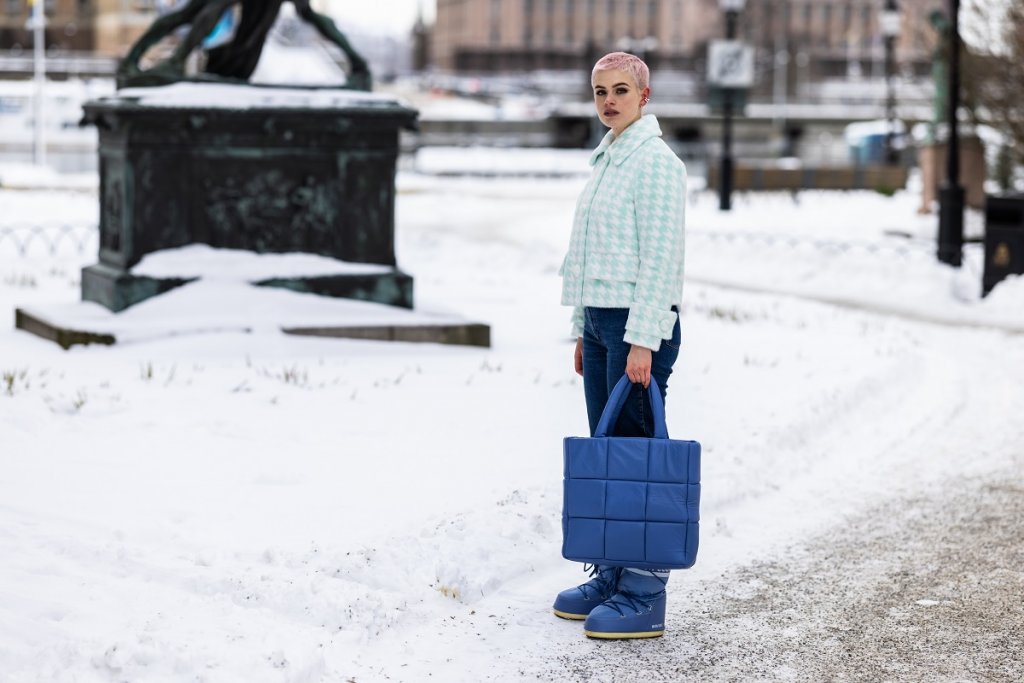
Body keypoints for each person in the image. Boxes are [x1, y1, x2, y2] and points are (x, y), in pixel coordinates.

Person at [553, 52, 687, 639]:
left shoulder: (655, 163)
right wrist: (584, 325)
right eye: (601, 91)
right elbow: (587, 255)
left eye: (621, 90)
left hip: (639, 329)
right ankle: (610, 572)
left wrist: (642, 341)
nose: (609, 100)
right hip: (604, 326)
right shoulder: (608, 159)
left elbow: (661, 259)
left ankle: (643, 588)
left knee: (635, 462)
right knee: (609, 459)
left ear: (645, 95)